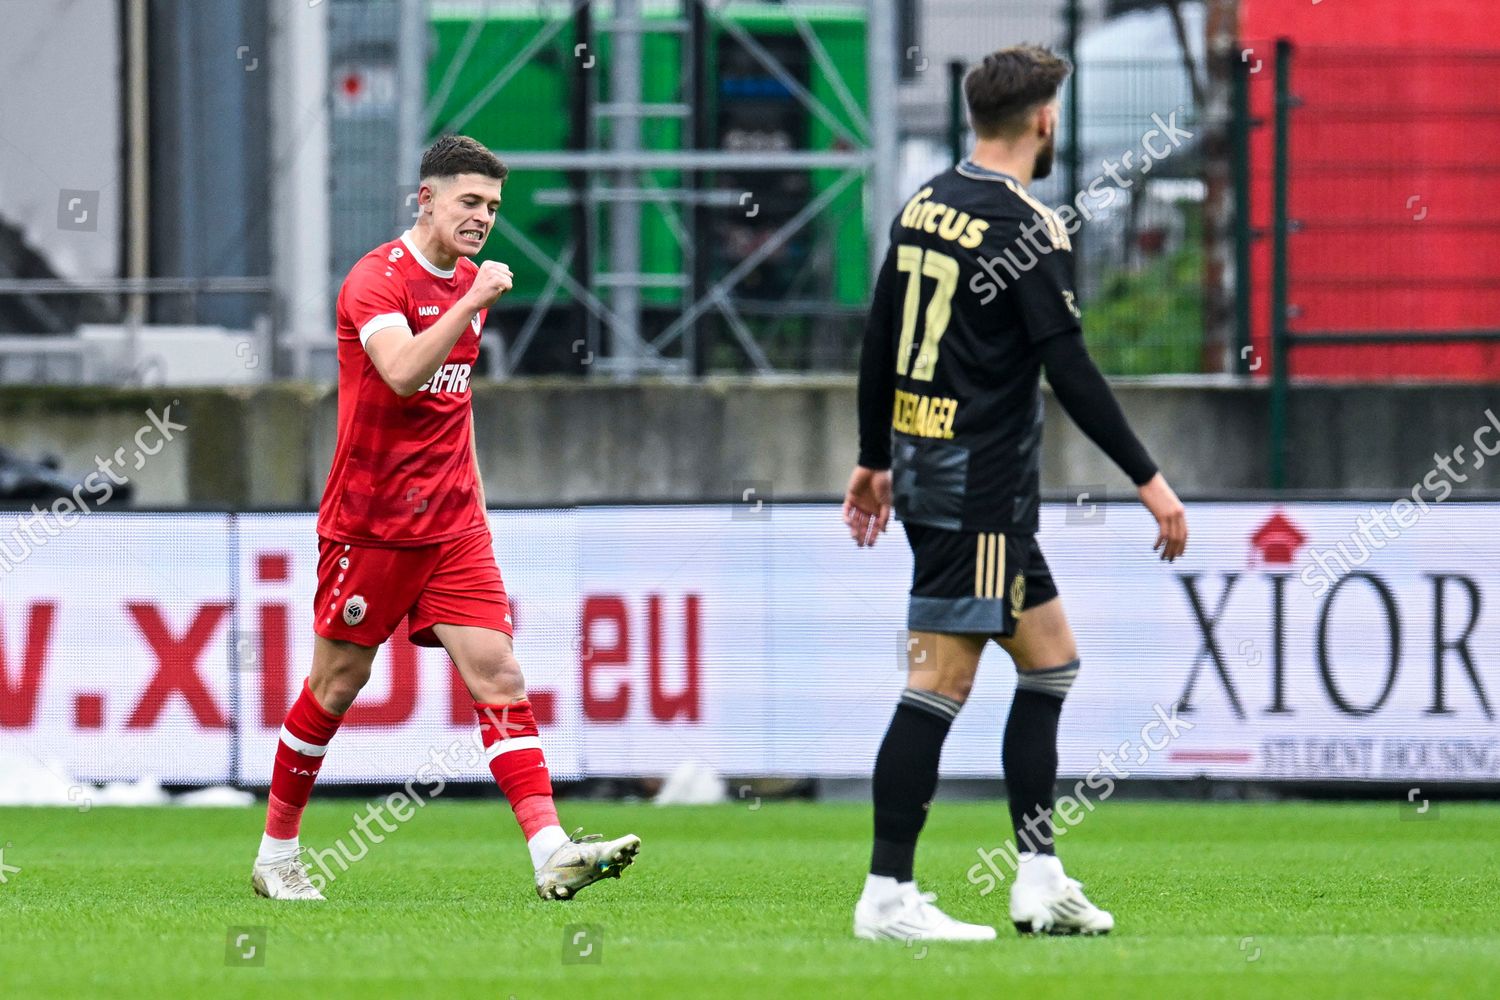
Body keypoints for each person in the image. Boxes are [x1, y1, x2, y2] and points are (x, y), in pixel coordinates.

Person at [844, 45, 1188, 940]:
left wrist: (872, 455)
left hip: (927, 470)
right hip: (978, 490)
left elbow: (881, 331)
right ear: (1043, 119)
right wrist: (1150, 482)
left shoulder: (924, 204)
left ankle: (1037, 875)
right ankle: (886, 895)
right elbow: (1067, 367)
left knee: (1051, 661)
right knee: (937, 683)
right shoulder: (1028, 227)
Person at [251, 135, 639, 902]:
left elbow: (451, 409)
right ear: (423, 199)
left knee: (500, 673)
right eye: (470, 202)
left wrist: (479, 509)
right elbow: (399, 374)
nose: (483, 218)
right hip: (372, 525)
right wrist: (468, 300)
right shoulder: (375, 281)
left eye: (493, 207)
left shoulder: (468, 285)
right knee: (337, 683)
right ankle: (276, 854)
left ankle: (550, 849)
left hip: (454, 524)